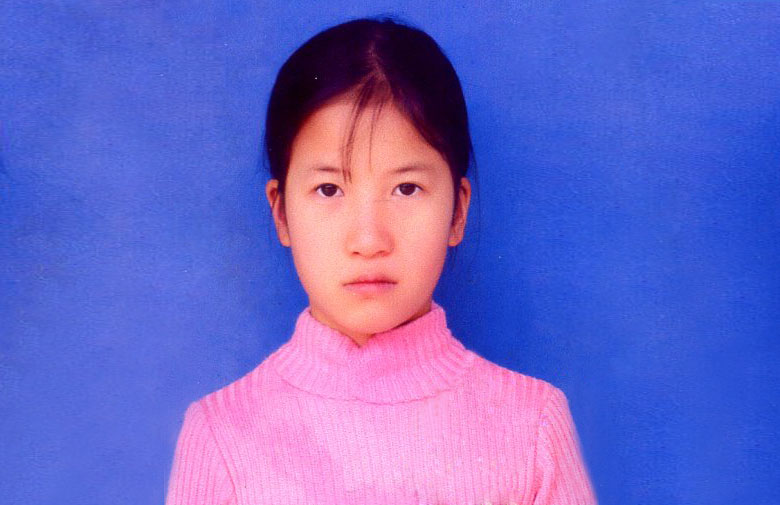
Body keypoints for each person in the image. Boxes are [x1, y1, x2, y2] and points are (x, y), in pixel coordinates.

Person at [165, 16, 598, 505]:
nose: (369, 240)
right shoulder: (222, 434)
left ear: (458, 212)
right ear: (281, 212)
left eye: (406, 188)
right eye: (329, 189)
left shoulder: (533, 426)